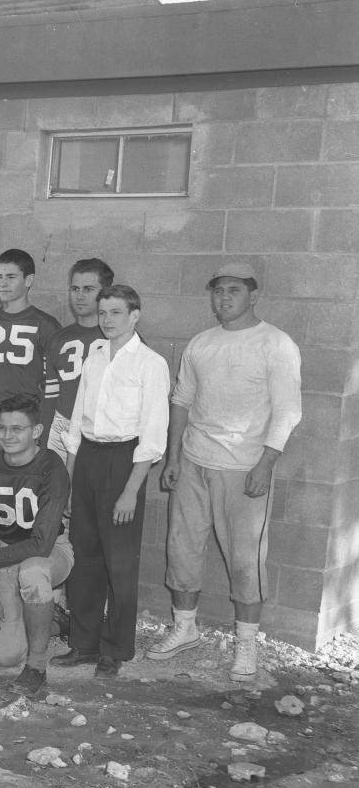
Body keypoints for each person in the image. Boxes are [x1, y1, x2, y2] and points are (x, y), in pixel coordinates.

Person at [149, 263, 302, 682]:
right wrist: (174, 458)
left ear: (254, 296)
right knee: (181, 549)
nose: (224, 298)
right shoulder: (201, 343)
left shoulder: (276, 344)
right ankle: (185, 628)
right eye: (218, 291)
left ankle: (247, 644)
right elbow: (181, 401)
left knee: (244, 560)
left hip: (245, 468)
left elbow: (288, 410)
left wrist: (266, 463)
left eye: (233, 290)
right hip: (195, 462)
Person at [52, 284, 169, 677]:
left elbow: (153, 436)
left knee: (119, 562)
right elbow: (77, 420)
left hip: (124, 461)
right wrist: (70, 478)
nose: (107, 320)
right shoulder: (95, 355)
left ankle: (114, 649)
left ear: (135, 315)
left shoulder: (150, 363)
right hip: (87, 457)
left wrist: (131, 492)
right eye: (103, 313)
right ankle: (83, 643)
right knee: (84, 555)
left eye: (115, 313)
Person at [0, 394, 72, 697]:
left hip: (51, 552)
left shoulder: (51, 466)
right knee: (5, 657)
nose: (7, 436)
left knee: (32, 574)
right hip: (5, 552)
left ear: (36, 431)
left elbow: (41, 543)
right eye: (2, 428)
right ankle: (54, 620)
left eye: (17, 429)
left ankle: (36, 667)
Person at [0, 249, 61, 459]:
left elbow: (53, 384)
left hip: (26, 410)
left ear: (29, 280)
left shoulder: (46, 325)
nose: (2, 283)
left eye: (11, 277)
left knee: (23, 474)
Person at [43, 258, 113, 458]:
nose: (79, 296)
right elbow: (50, 395)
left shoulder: (121, 338)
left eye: (88, 289)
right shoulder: (59, 338)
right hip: (62, 427)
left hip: (103, 430)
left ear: (105, 292)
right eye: (75, 289)